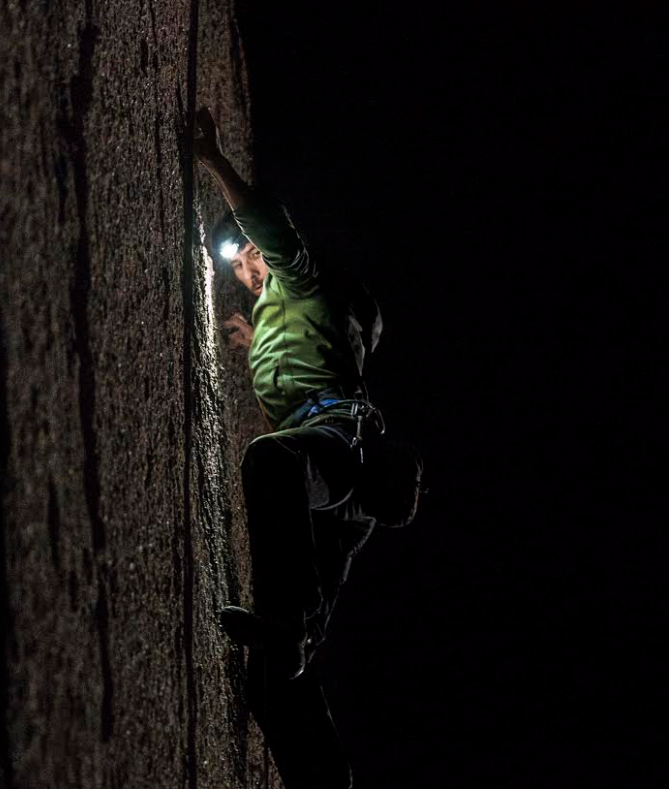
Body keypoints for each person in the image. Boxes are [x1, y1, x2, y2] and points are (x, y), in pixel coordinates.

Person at [193, 107, 421, 789]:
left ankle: (289, 631)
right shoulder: (289, 316)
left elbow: (272, 224)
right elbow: (295, 356)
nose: (244, 266)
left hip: (334, 451)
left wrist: (212, 160)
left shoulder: (305, 281)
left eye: (246, 256)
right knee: (276, 676)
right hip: (338, 500)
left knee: (273, 461)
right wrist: (252, 337)